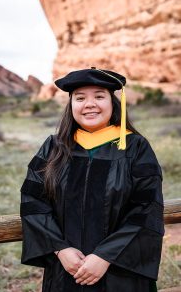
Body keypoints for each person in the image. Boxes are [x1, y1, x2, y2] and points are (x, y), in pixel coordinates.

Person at [20, 67, 164, 292]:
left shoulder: (136, 147)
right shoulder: (53, 147)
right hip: (66, 271)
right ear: (71, 105)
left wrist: (105, 256)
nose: (89, 104)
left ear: (113, 102)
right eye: (80, 98)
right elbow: (33, 202)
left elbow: (146, 208)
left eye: (99, 96)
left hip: (120, 275)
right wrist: (60, 249)